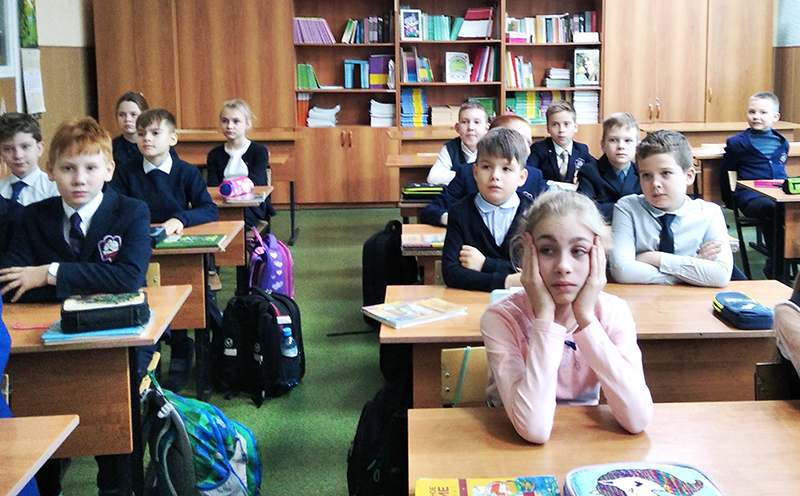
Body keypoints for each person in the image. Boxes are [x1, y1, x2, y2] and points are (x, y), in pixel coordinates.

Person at [0, 116, 151, 496]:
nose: (79, 179)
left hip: (111, 344)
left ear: (109, 170)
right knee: (38, 413)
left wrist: (49, 274)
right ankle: (46, 483)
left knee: (112, 424)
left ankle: (114, 486)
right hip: (42, 347)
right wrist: (92, 282)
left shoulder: (131, 211)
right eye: (68, 168)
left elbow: (128, 278)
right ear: (50, 171)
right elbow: (12, 285)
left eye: (90, 168)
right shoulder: (35, 216)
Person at [481, 190, 653, 444]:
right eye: (547, 250)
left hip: (586, 442)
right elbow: (534, 429)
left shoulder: (614, 313)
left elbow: (637, 419)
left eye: (579, 251)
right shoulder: (501, 318)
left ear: (598, 254)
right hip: (512, 445)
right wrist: (545, 318)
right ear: (528, 253)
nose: (563, 266)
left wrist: (586, 318)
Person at [110, 108, 219, 392]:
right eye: (142, 133)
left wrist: (181, 219)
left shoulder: (186, 172)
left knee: (181, 295)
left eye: (155, 133)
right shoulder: (125, 172)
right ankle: (151, 351)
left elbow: (209, 209)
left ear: (172, 138)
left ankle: (181, 347)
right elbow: (112, 207)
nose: (147, 138)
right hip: (138, 250)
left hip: (175, 251)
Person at [609, 129, 732, 287]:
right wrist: (695, 266)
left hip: (694, 300)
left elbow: (720, 275)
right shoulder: (628, 208)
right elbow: (622, 270)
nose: (655, 184)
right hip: (642, 298)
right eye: (646, 175)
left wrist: (655, 258)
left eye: (665, 173)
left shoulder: (710, 213)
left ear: (689, 176)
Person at [441, 127, 531, 292]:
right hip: (471, 301)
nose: (495, 176)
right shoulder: (460, 212)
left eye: (506, 169)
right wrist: (508, 281)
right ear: (475, 172)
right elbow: (451, 273)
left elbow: (538, 271)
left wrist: (485, 264)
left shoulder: (533, 214)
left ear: (522, 177)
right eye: (486, 167)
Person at [420, 114, 547, 227]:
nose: (524, 147)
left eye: (528, 142)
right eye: (516, 139)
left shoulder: (534, 176)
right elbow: (431, 210)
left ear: (522, 177)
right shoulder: (467, 173)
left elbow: (549, 212)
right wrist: (456, 220)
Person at [719, 91, 789, 278]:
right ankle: (778, 268)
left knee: (790, 213)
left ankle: (784, 259)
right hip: (751, 196)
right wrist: (729, 201)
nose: (756, 116)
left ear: (775, 117)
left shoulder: (782, 143)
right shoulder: (736, 143)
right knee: (771, 210)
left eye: (763, 112)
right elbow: (725, 174)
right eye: (752, 112)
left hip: (780, 194)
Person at [206, 99, 276, 231]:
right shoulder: (214, 154)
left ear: (247, 124)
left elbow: (256, 182)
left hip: (250, 205)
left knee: (237, 223)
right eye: (225, 121)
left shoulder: (259, 151)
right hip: (223, 203)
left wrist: (233, 192)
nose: (229, 126)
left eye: (236, 121)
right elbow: (213, 186)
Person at [577, 112, 641, 221]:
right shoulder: (589, 172)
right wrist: (631, 208)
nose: (621, 146)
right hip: (601, 227)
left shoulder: (643, 173)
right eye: (613, 140)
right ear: (603, 145)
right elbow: (585, 209)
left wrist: (607, 207)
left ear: (637, 146)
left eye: (628, 141)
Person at [529, 100, 596, 184]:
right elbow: (530, 174)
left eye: (566, 124)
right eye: (555, 124)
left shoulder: (581, 150)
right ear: (548, 128)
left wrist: (584, 177)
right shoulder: (538, 149)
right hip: (546, 191)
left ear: (575, 127)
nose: (561, 130)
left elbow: (596, 169)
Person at [0, 112, 58, 205]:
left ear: (39, 149)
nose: (18, 155)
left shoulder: (54, 189)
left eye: (25, 147)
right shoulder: (1, 190)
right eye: (8, 149)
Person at [426, 101, 490, 185]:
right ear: (457, 128)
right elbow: (433, 177)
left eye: (477, 122)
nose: (470, 127)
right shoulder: (450, 148)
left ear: (486, 128)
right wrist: (469, 175)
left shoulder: (492, 149)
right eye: (465, 122)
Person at [112, 91, 149, 169]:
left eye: (133, 114)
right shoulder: (111, 147)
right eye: (122, 115)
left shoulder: (156, 144)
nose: (127, 119)